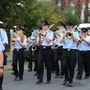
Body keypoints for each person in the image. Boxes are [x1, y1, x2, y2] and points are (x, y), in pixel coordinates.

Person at [60, 21, 79, 87]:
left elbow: (77, 41)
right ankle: (66, 78)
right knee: (63, 65)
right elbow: (60, 42)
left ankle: (70, 80)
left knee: (71, 66)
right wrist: (63, 37)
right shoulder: (63, 33)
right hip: (65, 50)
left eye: (69, 27)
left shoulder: (75, 33)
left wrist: (72, 35)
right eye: (67, 27)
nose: (68, 28)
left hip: (72, 51)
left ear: (72, 27)